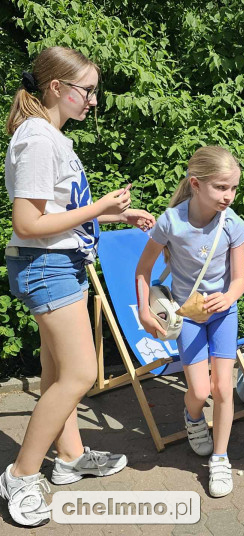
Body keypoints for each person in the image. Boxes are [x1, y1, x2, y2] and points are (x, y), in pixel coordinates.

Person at [0, 47, 154, 528]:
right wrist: (97, 208)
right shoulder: (38, 140)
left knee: (57, 371)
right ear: (56, 88)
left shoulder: (51, 137)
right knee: (81, 373)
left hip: (59, 261)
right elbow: (27, 222)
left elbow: (56, 214)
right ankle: (21, 475)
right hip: (45, 265)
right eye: (87, 90)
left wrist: (115, 213)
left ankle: (68, 458)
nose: (93, 100)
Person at [136, 146, 244, 498]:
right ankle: (193, 418)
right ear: (196, 184)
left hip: (224, 313)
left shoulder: (234, 224)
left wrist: (229, 297)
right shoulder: (171, 221)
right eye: (221, 188)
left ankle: (220, 457)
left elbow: (239, 281)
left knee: (223, 388)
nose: (228, 196)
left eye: (233, 188)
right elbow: (143, 270)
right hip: (189, 317)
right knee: (199, 392)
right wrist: (143, 310)